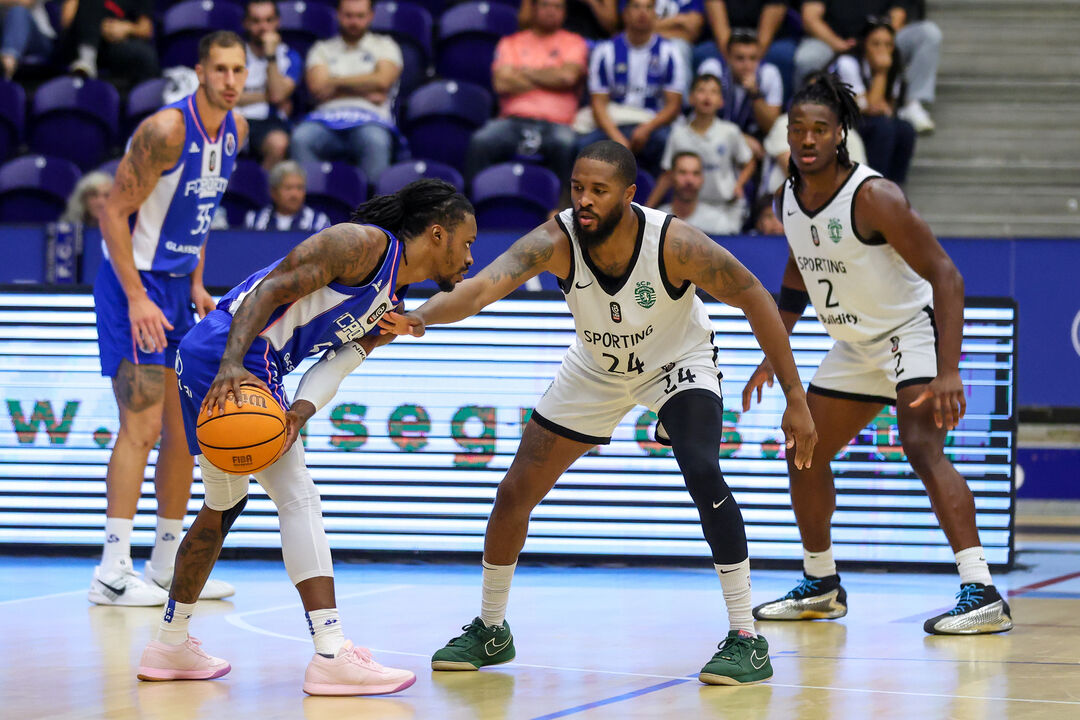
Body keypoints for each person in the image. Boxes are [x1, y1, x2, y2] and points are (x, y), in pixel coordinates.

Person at [380, 140, 818, 685]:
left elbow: (754, 293)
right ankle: (492, 629)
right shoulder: (556, 241)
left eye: (598, 191)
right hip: (597, 367)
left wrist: (795, 396)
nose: (583, 200)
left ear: (629, 196)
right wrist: (418, 318)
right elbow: (477, 292)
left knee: (703, 470)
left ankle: (747, 639)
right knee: (515, 491)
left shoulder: (674, 243)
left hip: (676, 362)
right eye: (577, 188)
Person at [136, 179, 476, 695]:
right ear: (436, 234)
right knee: (298, 497)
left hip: (229, 362)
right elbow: (270, 290)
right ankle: (332, 652)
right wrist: (231, 364)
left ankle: (168, 644)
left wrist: (298, 409)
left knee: (223, 505)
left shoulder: (392, 298)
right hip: (230, 354)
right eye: (467, 242)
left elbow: (342, 363)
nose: (471, 256)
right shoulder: (357, 245)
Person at [744, 72, 1013, 636]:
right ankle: (821, 584)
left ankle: (981, 588)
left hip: (908, 332)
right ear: (785, 136)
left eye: (821, 128)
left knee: (920, 445)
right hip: (854, 344)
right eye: (798, 129)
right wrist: (776, 348)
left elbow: (947, 276)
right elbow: (798, 274)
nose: (809, 139)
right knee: (805, 449)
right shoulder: (786, 198)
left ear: (840, 134)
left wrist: (947, 370)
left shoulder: (874, 196)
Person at [89, 31, 249, 607]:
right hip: (133, 284)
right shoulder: (165, 130)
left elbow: (198, 216)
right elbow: (112, 213)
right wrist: (136, 297)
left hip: (180, 288)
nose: (231, 80)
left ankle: (164, 563)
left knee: (187, 432)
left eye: (239, 70)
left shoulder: (237, 131)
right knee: (143, 426)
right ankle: (110, 571)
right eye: (221, 69)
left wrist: (199, 283)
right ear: (201, 72)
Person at [465, 0, 587, 188]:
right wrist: (550, 76)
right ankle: (474, 206)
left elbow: (567, 77)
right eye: (546, 5)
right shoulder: (511, 42)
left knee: (567, 144)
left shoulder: (574, 42)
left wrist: (524, 71)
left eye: (558, 7)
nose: (552, 11)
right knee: (481, 141)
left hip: (557, 124)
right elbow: (501, 83)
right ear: (535, 8)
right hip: (513, 121)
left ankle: (564, 210)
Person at [291, 0, 402, 183]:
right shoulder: (322, 49)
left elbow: (382, 81)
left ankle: (375, 208)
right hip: (324, 121)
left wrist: (334, 83)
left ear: (371, 16)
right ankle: (311, 201)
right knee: (300, 138)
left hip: (370, 121)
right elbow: (317, 87)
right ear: (338, 15)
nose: (354, 22)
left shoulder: (386, 46)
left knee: (375, 141)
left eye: (360, 16)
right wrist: (366, 87)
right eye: (348, 15)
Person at [795, 1, 940, 132]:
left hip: (879, 36)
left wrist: (878, 43)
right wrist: (838, 44)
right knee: (808, 58)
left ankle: (912, 103)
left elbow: (898, 15)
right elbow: (810, 17)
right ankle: (805, 112)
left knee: (928, 33)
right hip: (832, 39)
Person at [578, 0, 687, 174]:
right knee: (583, 146)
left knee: (670, 144)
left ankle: (657, 200)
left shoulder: (670, 52)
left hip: (652, 124)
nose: (642, 12)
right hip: (615, 123)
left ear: (655, 14)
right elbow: (598, 104)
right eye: (636, 7)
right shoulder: (605, 51)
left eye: (648, 7)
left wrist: (646, 129)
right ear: (625, 14)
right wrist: (617, 138)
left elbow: (673, 105)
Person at [646, 73, 755, 233]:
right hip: (691, 206)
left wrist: (739, 185)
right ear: (691, 98)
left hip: (724, 205)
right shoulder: (678, 133)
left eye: (713, 92)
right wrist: (647, 209)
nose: (707, 96)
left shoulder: (730, 132)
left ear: (721, 101)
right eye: (701, 90)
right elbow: (668, 174)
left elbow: (749, 162)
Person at [830, 20, 915, 184]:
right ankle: (874, 185)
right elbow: (864, 108)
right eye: (875, 44)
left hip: (869, 122)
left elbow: (887, 107)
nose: (882, 50)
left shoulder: (894, 65)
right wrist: (881, 72)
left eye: (888, 45)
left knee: (905, 129)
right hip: (842, 125)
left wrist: (876, 106)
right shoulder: (848, 63)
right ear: (864, 46)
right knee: (883, 127)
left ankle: (894, 186)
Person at [238, 0, 303, 171]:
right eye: (256, 21)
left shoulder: (289, 56)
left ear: (277, 22)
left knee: (279, 143)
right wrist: (265, 96)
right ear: (246, 23)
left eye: (268, 20)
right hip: (234, 118)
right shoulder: (234, 53)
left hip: (269, 122)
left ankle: (262, 194)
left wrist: (271, 56)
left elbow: (277, 95)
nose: (263, 27)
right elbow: (223, 96)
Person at [61, 0, 159, 90]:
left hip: (114, 43)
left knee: (146, 55)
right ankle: (86, 58)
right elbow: (66, 22)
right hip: (81, 41)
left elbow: (146, 30)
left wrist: (127, 28)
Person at [659, 151, 740, 235]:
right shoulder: (658, 220)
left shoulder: (718, 223)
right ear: (671, 176)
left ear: (702, 178)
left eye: (696, 173)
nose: (689, 180)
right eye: (682, 172)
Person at [245, 160, 331, 232]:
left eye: (299, 188)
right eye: (288, 188)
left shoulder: (318, 222)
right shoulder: (254, 221)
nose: (294, 194)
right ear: (273, 192)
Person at [0, 0, 56, 80]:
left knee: (18, 12)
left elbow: (25, 1)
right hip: (4, 37)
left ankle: (6, 70)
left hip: (39, 39)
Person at [520, 0, 617, 40]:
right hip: (549, 40)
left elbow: (611, 26)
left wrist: (592, 2)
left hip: (591, 42)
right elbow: (524, 23)